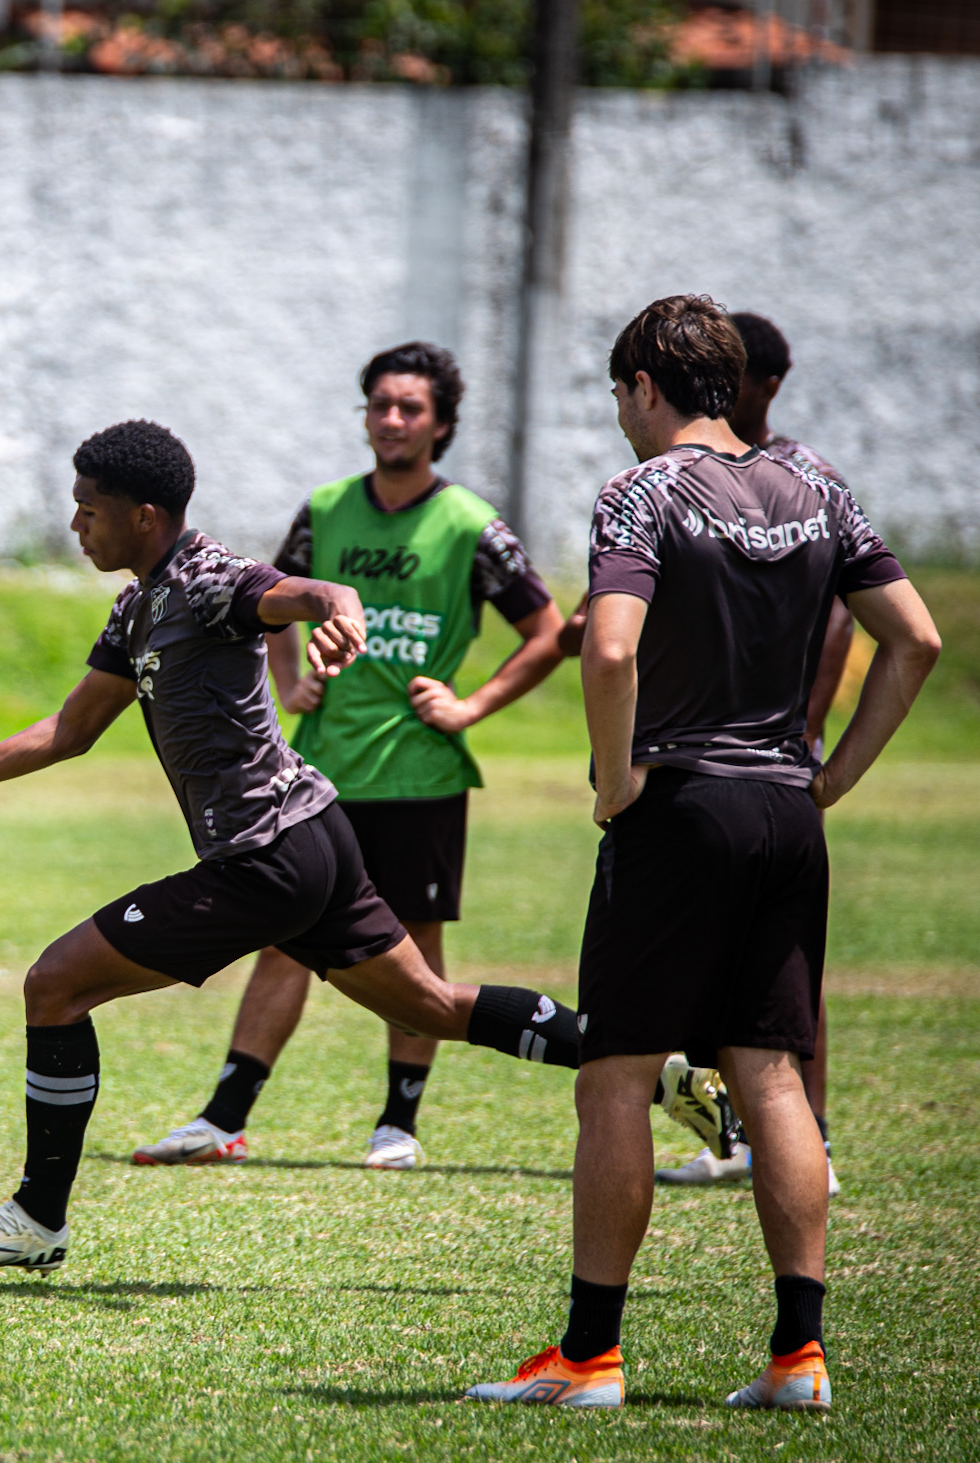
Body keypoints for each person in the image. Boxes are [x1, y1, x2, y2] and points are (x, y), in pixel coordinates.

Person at [0, 419, 589, 1273]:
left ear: (142, 515)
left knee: (54, 984)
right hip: (314, 837)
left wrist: (341, 612)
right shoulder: (138, 607)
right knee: (428, 1006)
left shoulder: (209, 577)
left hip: (266, 859)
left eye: (86, 509)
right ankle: (639, 1057)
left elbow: (306, 593)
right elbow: (70, 728)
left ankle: (38, 1214)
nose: (75, 525)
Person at [467, 296, 939, 1410]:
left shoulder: (642, 491)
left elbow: (611, 645)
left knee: (617, 1074)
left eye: (615, 395)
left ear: (641, 385)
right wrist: (829, 778)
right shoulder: (816, 486)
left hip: (680, 805)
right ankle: (797, 1355)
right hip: (785, 808)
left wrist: (616, 775)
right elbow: (912, 637)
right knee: (769, 1067)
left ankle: (587, 1357)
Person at [127, 343, 727, 1172]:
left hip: (422, 774)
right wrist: (289, 680)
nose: (392, 420)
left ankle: (397, 1122)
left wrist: (471, 704)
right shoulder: (327, 509)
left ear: (441, 423)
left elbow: (551, 634)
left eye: (410, 407)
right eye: (379, 404)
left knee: (416, 947)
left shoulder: (470, 524)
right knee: (280, 942)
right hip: (320, 777)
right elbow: (262, 604)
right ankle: (225, 1116)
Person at [638, 311, 852, 1192]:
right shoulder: (738, 484)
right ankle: (745, 1139)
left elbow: (847, 615)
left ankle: (810, 1132)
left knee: (777, 988)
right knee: (757, 981)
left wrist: (812, 728)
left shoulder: (794, 478)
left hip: (710, 773)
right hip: (763, 781)